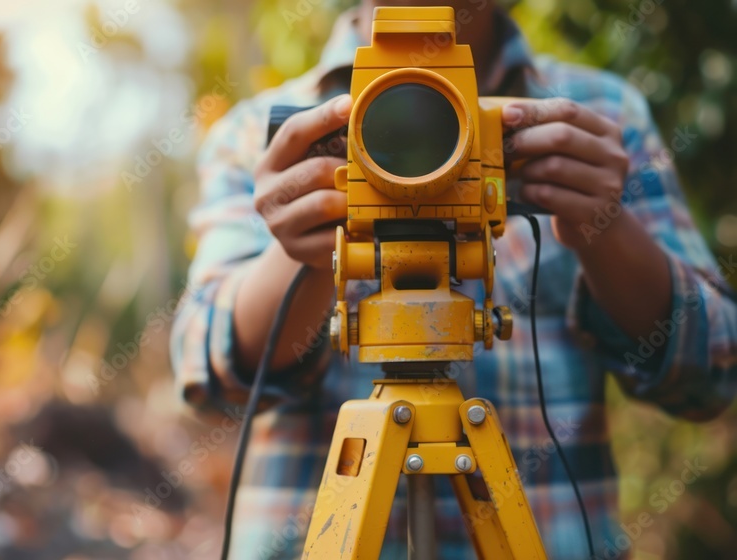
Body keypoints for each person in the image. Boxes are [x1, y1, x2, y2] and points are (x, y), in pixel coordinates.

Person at [170, 1, 737, 558]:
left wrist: (605, 229)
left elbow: (711, 371)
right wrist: (300, 249)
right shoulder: (260, 132)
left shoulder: (600, 115)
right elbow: (211, 377)